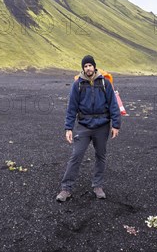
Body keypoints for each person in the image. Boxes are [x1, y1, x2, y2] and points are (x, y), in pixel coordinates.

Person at [56, 55, 121, 202]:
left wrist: (116, 125)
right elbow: (72, 107)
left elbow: (113, 105)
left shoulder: (105, 83)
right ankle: (66, 189)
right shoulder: (78, 84)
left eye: (90, 65)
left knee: (101, 156)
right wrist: (68, 128)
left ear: (94, 67)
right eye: (85, 66)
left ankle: (97, 186)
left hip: (102, 126)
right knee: (76, 156)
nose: (88, 68)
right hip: (84, 126)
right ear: (83, 68)